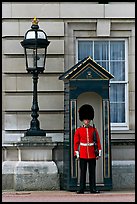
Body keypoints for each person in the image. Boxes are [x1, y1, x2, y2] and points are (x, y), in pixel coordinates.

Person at [74, 104, 102, 194]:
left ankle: (92, 188)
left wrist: (98, 153)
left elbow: (97, 141)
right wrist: (76, 153)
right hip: (83, 153)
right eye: (86, 119)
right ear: (82, 120)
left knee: (92, 172)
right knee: (83, 172)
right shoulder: (78, 130)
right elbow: (76, 143)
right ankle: (81, 188)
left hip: (92, 153)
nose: (87, 121)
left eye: (88, 119)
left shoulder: (93, 130)